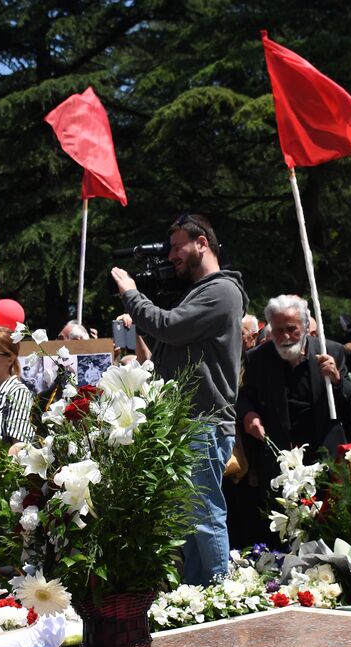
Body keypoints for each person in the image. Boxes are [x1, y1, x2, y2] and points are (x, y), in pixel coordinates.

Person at [111, 212, 246, 585]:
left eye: (176, 246)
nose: (170, 256)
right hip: (187, 422)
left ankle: (221, 596)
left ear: (202, 242)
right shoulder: (201, 293)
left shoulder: (221, 291)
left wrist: (130, 293)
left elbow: (168, 326)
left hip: (203, 422)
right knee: (187, 518)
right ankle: (196, 595)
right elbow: (165, 353)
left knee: (204, 514)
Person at [237, 295, 351, 538]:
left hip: (324, 460)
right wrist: (249, 414)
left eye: (292, 329)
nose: (286, 337)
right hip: (280, 461)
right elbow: (245, 397)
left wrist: (337, 380)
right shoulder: (258, 358)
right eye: (278, 331)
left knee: (328, 531)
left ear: (306, 327)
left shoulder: (332, 352)